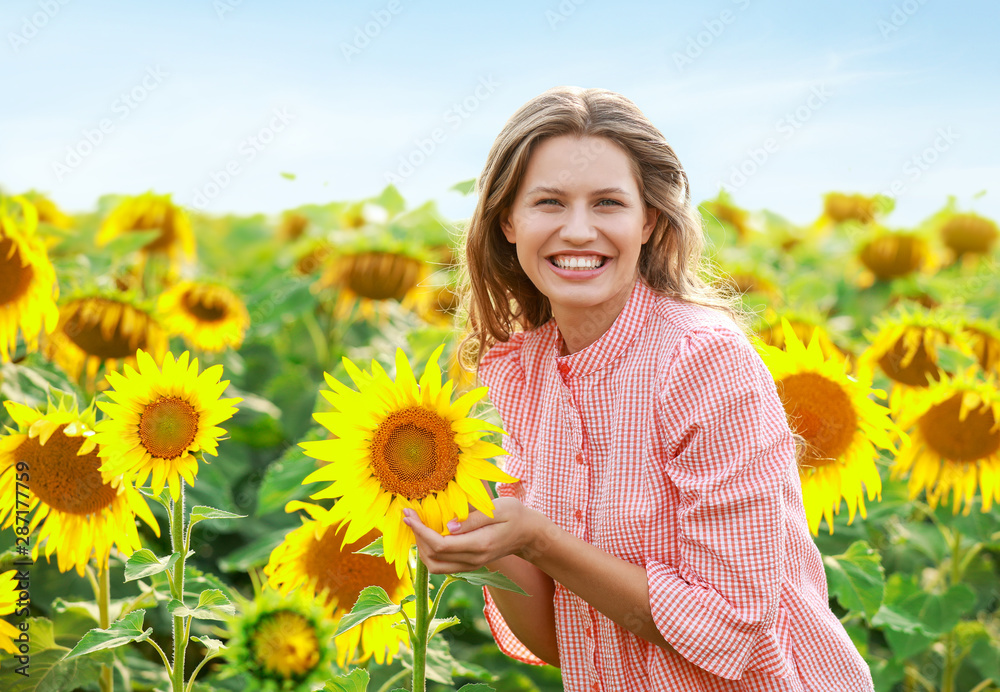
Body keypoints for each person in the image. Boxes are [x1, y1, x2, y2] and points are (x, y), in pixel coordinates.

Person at [401, 86, 874, 691]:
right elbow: (564, 639)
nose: (578, 230)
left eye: (607, 203)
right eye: (548, 202)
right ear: (508, 221)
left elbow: (734, 625)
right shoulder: (520, 371)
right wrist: (486, 535)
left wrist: (539, 538)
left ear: (647, 220)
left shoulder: (701, 362)